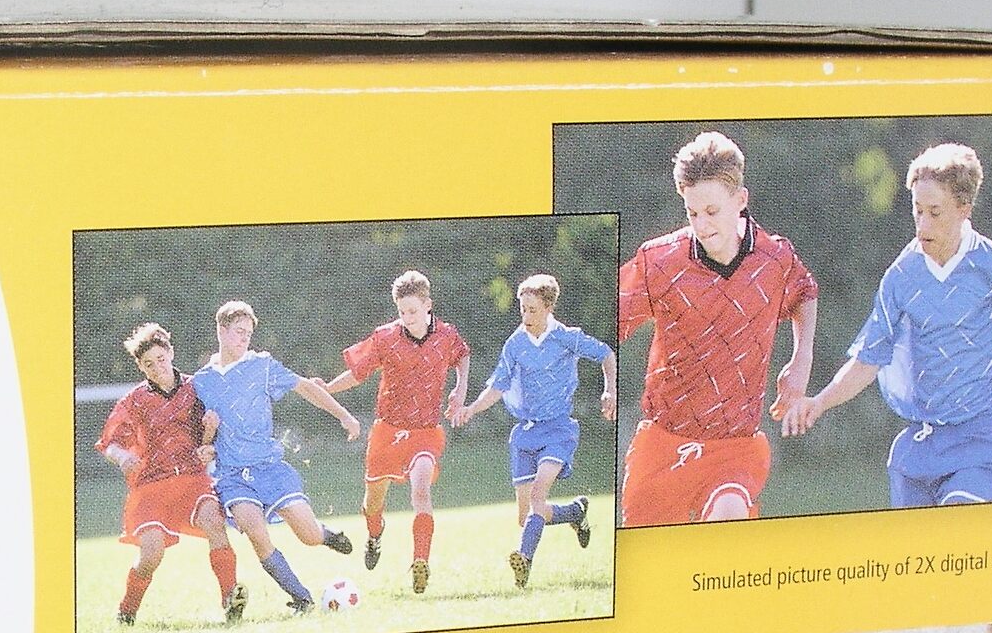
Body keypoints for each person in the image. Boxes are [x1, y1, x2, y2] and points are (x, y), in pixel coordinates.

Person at [785, 143, 992, 506]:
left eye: (935, 213)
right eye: (917, 211)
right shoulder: (901, 276)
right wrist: (819, 402)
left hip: (979, 443)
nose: (923, 225)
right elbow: (869, 359)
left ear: (964, 209)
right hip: (920, 451)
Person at [618, 131, 818, 526]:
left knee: (729, 517)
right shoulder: (659, 261)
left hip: (735, 447)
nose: (702, 225)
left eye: (712, 211)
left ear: (740, 200)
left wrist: (801, 360)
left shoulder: (775, 258)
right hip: (663, 441)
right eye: (692, 213)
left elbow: (804, 292)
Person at [188, 300, 360, 615]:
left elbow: (305, 387)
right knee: (255, 532)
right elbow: (201, 435)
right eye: (239, 331)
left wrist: (344, 415)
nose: (244, 338)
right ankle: (302, 598)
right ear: (221, 330)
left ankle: (325, 535)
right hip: (232, 476)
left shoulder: (262, 366)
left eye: (248, 333)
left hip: (270, 468)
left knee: (308, 536)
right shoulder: (200, 382)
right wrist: (206, 443)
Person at [455, 273, 616, 586]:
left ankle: (524, 560)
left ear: (549, 308)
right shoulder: (515, 344)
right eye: (522, 309)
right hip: (526, 434)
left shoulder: (566, 337)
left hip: (559, 430)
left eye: (532, 310)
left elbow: (606, 354)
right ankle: (575, 512)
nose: (526, 316)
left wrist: (609, 389)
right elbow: (498, 385)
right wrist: (471, 408)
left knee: (538, 497)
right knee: (526, 515)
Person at [323, 270, 471, 594]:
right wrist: (329, 389)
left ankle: (420, 561)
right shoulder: (386, 337)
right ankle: (375, 535)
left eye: (413, 311)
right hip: (387, 430)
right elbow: (358, 373)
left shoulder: (446, 335)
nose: (407, 317)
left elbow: (462, 356)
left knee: (421, 491)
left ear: (428, 305)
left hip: (425, 431)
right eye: (402, 312)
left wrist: (460, 390)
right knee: (373, 502)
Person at [93, 322, 247, 625]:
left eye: (161, 359)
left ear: (171, 353)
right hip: (151, 487)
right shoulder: (134, 400)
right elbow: (109, 443)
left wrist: (211, 446)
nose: (157, 367)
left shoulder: (196, 388)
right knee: (151, 554)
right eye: (148, 364)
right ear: (140, 366)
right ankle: (127, 612)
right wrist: (123, 457)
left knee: (214, 522)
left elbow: (218, 434)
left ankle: (231, 600)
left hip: (192, 480)